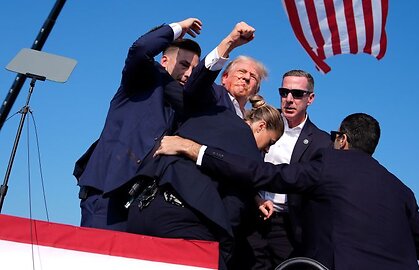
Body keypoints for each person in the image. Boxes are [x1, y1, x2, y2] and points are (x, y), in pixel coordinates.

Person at [156, 112, 419, 270]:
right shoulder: (400, 188)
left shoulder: (329, 164)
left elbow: (263, 173)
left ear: (342, 140)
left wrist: (197, 150)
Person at [73, 18, 256, 231]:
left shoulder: (186, 103)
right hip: (108, 194)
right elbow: (141, 48)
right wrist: (178, 28)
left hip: (144, 204)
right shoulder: (140, 80)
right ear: (164, 61)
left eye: (193, 69)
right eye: (184, 65)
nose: (188, 74)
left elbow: (203, 86)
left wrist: (229, 44)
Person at [126, 95, 284, 269]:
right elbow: (234, 207)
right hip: (183, 225)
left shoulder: (212, 116)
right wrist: (223, 251)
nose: (268, 149)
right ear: (261, 126)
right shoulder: (249, 149)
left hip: (142, 209)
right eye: (270, 142)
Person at [248, 70, 331, 269]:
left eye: (297, 94)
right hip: (251, 218)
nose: (289, 99)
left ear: (310, 98)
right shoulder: (260, 123)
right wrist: (254, 198)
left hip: (289, 228)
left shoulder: (322, 142)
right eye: (284, 92)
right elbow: (245, 166)